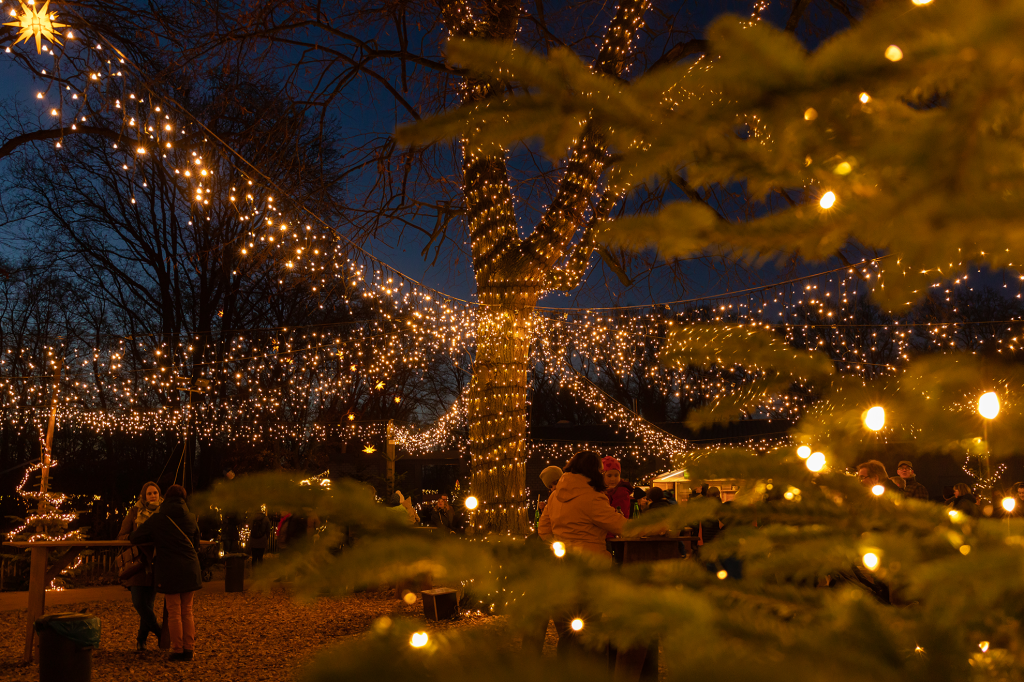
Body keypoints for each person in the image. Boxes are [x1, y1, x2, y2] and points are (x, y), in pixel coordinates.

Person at [129, 484, 202, 662]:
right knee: (188, 611)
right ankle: (189, 649)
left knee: (174, 611)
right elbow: (197, 543)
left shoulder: (158, 519)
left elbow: (135, 537)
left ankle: (177, 650)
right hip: (191, 567)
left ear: (165, 498)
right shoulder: (191, 517)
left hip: (169, 569)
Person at [538, 450, 627, 559]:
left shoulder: (554, 496)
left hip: (563, 560)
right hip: (591, 560)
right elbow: (619, 525)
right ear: (595, 471)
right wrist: (649, 525)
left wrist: (559, 546)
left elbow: (543, 529)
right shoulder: (593, 498)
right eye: (601, 471)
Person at [117, 481, 162, 651]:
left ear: (159, 494)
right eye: (149, 493)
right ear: (144, 496)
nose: (152, 496)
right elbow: (122, 536)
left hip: (155, 563)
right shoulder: (135, 511)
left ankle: (140, 641)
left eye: (155, 493)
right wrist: (138, 537)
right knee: (139, 603)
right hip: (137, 563)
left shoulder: (163, 512)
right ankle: (160, 632)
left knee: (148, 604)